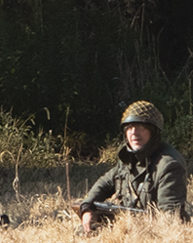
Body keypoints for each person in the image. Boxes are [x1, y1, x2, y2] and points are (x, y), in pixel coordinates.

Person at [73, 100, 188, 233]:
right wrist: (87, 208)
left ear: (153, 131)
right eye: (129, 127)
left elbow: (170, 220)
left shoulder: (169, 164)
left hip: (152, 230)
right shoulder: (128, 158)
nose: (134, 132)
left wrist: (131, 230)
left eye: (141, 127)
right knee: (82, 231)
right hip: (129, 222)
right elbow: (105, 183)